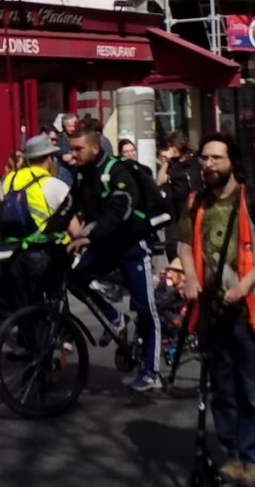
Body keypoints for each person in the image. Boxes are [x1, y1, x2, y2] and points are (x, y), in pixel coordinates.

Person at [178, 133, 255, 487]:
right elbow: (183, 245)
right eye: (204, 158)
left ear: (232, 162)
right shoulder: (195, 201)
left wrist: (244, 284)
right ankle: (234, 456)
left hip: (250, 314)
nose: (207, 165)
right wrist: (191, 277)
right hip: (212, 315)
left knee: (253, 395)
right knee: (223, 392)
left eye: (215, 159)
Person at [63, 125, 162, 392]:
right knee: (73, 275)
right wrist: (43, 234)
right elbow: (68, 208)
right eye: (71, 149)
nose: (72, 155)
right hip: (106, 245)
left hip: (131, 245)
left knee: (145, 308)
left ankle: (152, 372)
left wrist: (90, 237)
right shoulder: (81, 175)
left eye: (78, 149)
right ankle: (115, 318)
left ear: (95, 148)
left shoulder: (117, 171)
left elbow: (121, 212)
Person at [157, 132, 201, 262]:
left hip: (192, 206)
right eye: (169, 146)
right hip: (175, 209)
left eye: (172, 146)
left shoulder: (193, 160)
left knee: (193, 242)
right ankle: (175, 266)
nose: (170, 150)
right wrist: (165, 163)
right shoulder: (171, 164)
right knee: (172, 244)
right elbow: (160, 182)